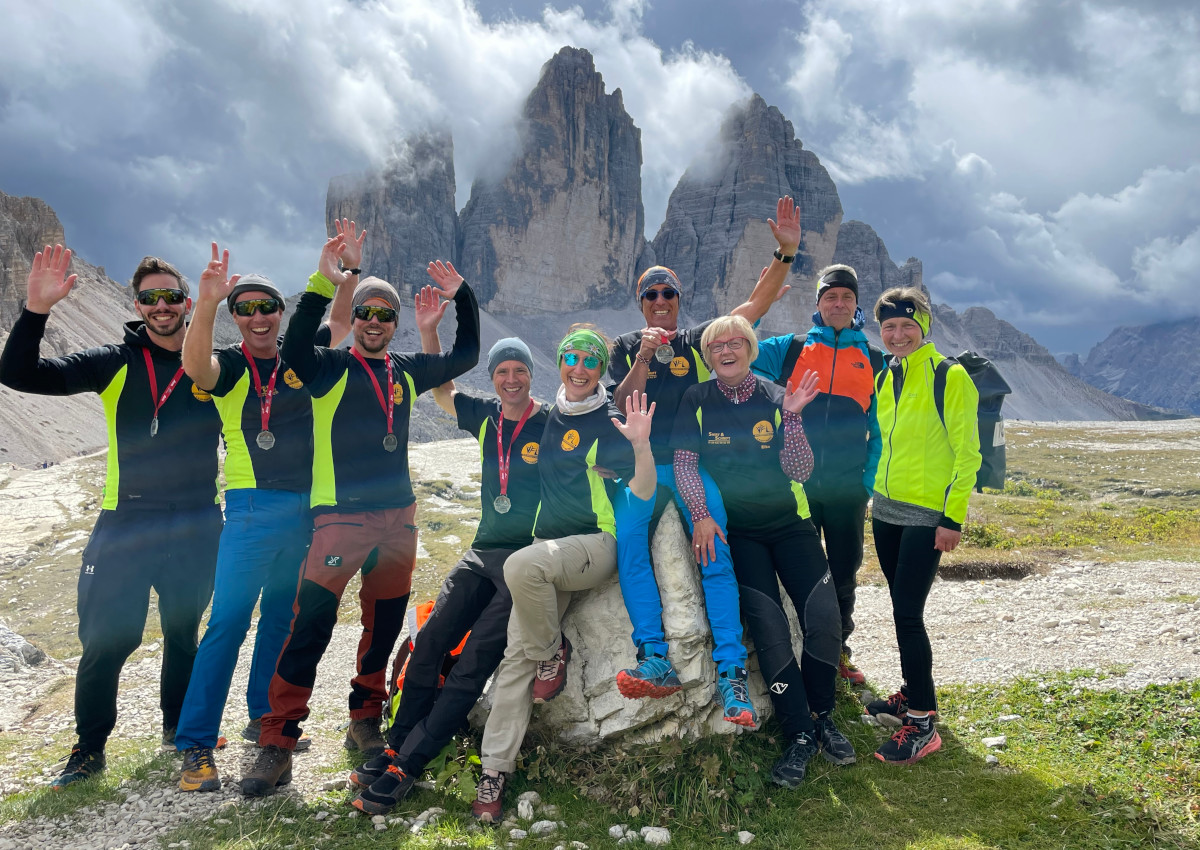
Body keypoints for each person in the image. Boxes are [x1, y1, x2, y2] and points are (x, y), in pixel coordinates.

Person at [239, 258, 480, 796]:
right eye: (366, 312)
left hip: (399, 520)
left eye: (384, 314)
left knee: (385, 626)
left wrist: (462, 295)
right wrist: (326, 284)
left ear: (394, 322)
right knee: (309, 631)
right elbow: (295, 345)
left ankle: (364, 719)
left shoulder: (407, 370)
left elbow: (466, 355)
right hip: (338, 520)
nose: (374, 322)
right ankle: (277, 743)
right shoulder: (327, 367)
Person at [0, 246, 222, 788]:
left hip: (196, 523)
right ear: (138, 304)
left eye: (171, 295)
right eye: (150, 297)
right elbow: (19, 373)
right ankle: (89, 749)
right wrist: (36, 310)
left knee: (184, 635)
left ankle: (179, 733)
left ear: (187, 302)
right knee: (105, 641)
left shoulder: (215, 366)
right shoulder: (113, 361)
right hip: (126, 524)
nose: (162, 305)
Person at [172, 224, 361, 792]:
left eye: (267, 308)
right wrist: (204, 305)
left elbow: (342, 328)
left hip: (302, 513)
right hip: (250, 511)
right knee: (228, 623)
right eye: (245, 308)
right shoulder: (227, 366)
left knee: (280, 622)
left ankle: (266, 721)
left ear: (281, 313)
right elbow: (193, 368)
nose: (258, 318)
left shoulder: (300, 361)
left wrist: (344, 275)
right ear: (236, 315)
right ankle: (196, 745)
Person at [607, 196, 800, 723]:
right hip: (643, 466)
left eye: (669, 292)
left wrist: (786, 253)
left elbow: (748, 312)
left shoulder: (698, 340)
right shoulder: (624, 346)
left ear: (679, 297)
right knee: (630, 549)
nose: (661, 300)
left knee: (713, 547)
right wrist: (645, 355)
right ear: (641, 302)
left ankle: (732, 675)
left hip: (694, 465)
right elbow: (621, 404)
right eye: (652, 294)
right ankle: (654, 658)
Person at [348, 322, 550, 815]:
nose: (510, 379)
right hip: (482, 551)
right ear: (494, 376)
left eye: (519, 370)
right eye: (502, 370)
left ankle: (408, 766)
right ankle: (396, 745)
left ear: (531, 375)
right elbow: (444, 390)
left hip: (524, 561)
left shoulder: (552, 422)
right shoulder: (484, 415)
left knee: (474, 662)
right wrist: (429, 331)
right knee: (432, 642)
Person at [472, 326, 656, 823]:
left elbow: (641, 490)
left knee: (520, 565)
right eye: (571, 357)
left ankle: (554, 649)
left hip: (595, 545)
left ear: (600, 371)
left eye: (591, 361)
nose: (579, 367)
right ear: (561, 362)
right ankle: (495, 772)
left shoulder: (608, 418)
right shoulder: (550, 416)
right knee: (516, 659)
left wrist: (640, 446)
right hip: (548, 554)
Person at [671, 314, 855, 788]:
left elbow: (800, 470)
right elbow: (685, 464)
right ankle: (797, 734)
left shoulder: (777, 396)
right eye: (716, 346)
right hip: (742, 534)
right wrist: (701, 514)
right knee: (771, 631)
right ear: (708, 356)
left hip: (791, 526)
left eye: (736, 342)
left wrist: (792, 419)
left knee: (824, 620)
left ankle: (823, 716)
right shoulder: (697, 399)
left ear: (751, 350)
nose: (726, 351)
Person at [864, 287, 981, 764]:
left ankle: (921, 723)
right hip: (886, 509)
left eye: (907, 325)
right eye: (888, 326)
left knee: (907, 615)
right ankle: (912, 693)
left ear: (924, 325)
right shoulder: (885, 374)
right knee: (899, 606)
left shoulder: (949, 377)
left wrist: (952, 517)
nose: (897, 334)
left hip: (927, 514)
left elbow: (967, 454)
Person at [751, 264, 883, 686]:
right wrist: (766, 291)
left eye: (846, 297)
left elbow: (881, 432)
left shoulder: (875, 360)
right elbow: (736, 342)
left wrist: (867, 485)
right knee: (796, 570)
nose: (839, 304)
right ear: (818, 304)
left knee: (844, 573)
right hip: (796, 487)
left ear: (856, 304)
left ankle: (837, 651)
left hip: (847, 490)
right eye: (830, 297)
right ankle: (790, 645)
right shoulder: (789, 349)